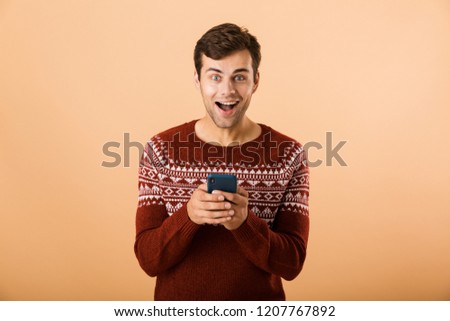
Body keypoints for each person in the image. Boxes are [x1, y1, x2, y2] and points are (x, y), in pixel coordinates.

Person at [134, 23, 309, 300]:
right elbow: (148, 259)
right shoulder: (159, 150)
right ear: (197, 79)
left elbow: (292, 264)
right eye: (215, 77)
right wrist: (189, 216)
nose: (227, 90)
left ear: (256, 81)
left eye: (239, 77)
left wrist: (244, 223)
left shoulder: (289, 155)